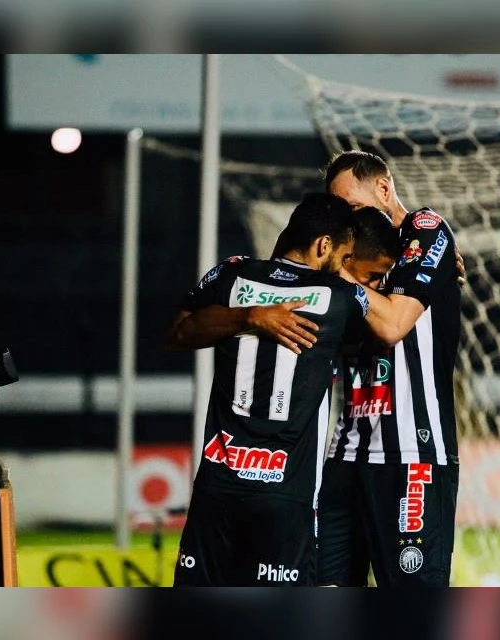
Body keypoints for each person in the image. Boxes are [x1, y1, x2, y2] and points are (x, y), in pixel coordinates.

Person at [162, 193, 379, 587]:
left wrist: (248, 315)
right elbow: (393, 326)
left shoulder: (229, 275)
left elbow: (177, 333)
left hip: (219, 487)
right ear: (323, 245)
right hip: (285, 495)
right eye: (345, 257)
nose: (345, 268)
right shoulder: (339, 298)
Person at [319, 149, 462, 587]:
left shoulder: (423, 230)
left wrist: (339, 273)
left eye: (354, 205)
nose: (347, 218)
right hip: (345, 453)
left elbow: (394, 325)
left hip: (411, 454)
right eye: (340, 209)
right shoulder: (342, 255)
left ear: (384, 188)